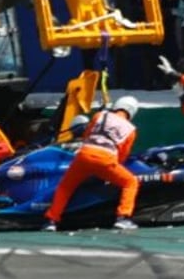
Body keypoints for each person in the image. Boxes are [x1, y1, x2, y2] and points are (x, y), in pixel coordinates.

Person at [42, 96, 140, 232]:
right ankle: (123, 218)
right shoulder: (131, 129)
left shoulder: (100, 115)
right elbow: (122, 154)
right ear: (132, 111)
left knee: (65, 187)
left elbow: (87, 134)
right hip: (106, 159)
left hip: (84, 155)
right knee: (130, 182)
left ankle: (51, 221)